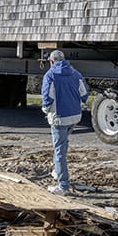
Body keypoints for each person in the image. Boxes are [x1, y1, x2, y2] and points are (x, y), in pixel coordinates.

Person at [41, 50, 88, 195]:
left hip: (59, 117)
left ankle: (63, 185)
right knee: (63, 144)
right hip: (74, 115)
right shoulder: (75, 73)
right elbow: (84, 94)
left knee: (59, 150)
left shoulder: (50, 75)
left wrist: (45, 109)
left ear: (51, 62)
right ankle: (57, 170)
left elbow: (47, 97)